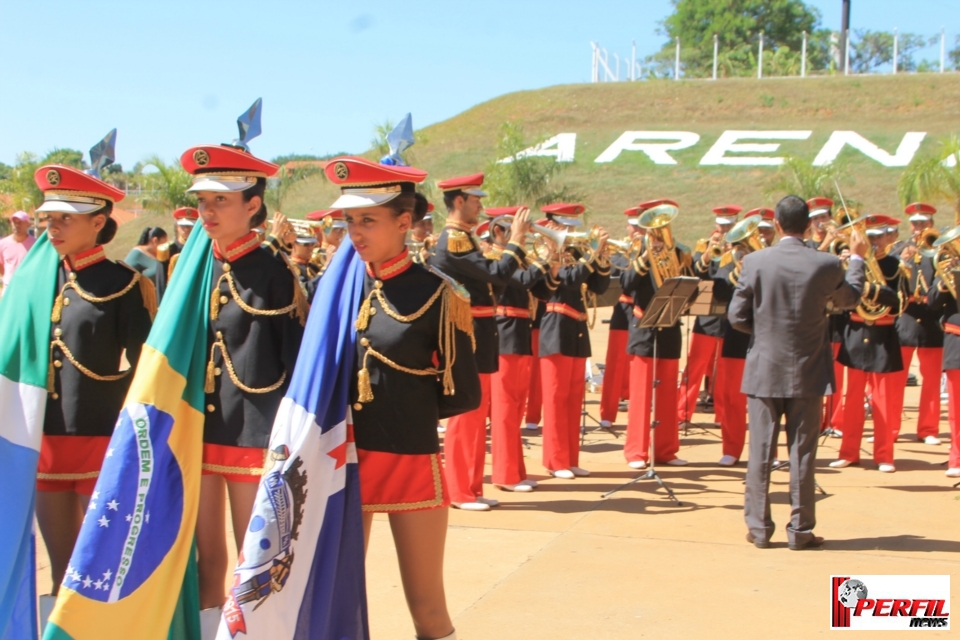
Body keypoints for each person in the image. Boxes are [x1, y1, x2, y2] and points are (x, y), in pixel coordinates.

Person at [325, 155, 480, 640]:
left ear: (405, 222)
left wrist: (406, 409)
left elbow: (462, 394)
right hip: (344, 463)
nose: (356, 232)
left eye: (368, 220)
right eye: (351, 221)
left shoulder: (440, 295)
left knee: (428, 612)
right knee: (335, 599)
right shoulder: (335, 290)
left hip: (410, 458)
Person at [179, 139, 306, 616]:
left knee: (252, 566)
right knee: (205, 562)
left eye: (220, 201)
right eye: (202, 201)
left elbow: (293, 364)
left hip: (253, 433)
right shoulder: (193, 266)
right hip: (200, 430)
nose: (206, 211)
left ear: (253, 205)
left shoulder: (275, 274)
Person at [32, 163, 154, 593]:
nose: (53, 226)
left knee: (103, 567)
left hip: (103, 440)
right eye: (49, 217)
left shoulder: (124, 284)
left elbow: (144, 371)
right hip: (46, 442)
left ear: (98, 222)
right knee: (60, 569)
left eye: (66, 217)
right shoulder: (38, 282)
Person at [729, 195, 866, 550]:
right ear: (808, 226)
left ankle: (759, 529)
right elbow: (850, 299)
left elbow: (736, 316)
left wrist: (763, 334)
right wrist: (858, 259)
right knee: (803, 453)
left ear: (776, 225)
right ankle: (800, 530)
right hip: (808, 369)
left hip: (763, 369)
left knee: (760, 451)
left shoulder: (755, 260)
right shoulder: (827, 263)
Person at [428, 173, 529, 510]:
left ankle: (470, 487)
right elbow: (498, 275)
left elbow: (490, 285)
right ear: (459, 201)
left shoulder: (466, 239)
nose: (481, 206)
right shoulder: (454, 239)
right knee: (465, 417)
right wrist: (515, 241)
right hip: (466, 335)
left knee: (477, 414)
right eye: (476, 200)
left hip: (481, 333)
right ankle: (458, 490)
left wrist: (502, 255)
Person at [533, 203, 610, 478]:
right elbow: (570, 278)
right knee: (555, 399)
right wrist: (591, 255)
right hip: (556, 326)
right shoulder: (546, 253)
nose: (570, 233)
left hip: (576, 328)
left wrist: (601, 257)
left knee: (574, 399)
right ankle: (555, 461)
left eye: (572, 227)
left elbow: (600, 287)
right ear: (551, 226)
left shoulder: (577, 253)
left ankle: (570, 457)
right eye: (565, 227)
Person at [830, 216, 906, 473]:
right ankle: (849, 452)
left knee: (882, 400)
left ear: (888, 238)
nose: (873, 242)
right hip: (855, 331)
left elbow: (898, 302)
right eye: (869, 237)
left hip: (882, 334)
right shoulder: (854, 263)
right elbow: (840, 299)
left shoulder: (895, 265)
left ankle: (884, 455)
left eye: (878, 237)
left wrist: (869, 288)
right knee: (851, 399)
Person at [487, 207, 552, 492]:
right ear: (500, 231)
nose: (524, 235)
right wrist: (545, 259)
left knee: (515, 406)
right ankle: (504, 474)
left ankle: (515, 470)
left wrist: (555, 264)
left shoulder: (518, 258)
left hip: (520, 332)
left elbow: (543, 293)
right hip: (505, 333)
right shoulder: (494, 256)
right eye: (517, 229)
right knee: (504, 409)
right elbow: (523, 281)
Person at [620, 201, 688, 469]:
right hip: (644, 328)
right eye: (655, 227)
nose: (659, 233)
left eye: (663, 227)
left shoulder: (679, 251)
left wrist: (680, 260)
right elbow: (626, 284)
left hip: (670, 325)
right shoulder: (638, 251)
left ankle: (666, 451)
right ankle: (636, 452)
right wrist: (647, 256)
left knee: (668, 392)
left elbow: (690, 283)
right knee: (640, 395)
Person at [678, 204, 740, 425]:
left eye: (729, 225)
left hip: (731, 318)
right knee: (694, 368)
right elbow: (695, 273)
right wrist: (707, 256)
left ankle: (722, 417)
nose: (724, 230)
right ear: (715, 225)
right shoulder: (704, 245)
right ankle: (682, 413)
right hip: (707, 317)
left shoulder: (742, 250)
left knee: (724, 372)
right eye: (721, 225)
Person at [891, 202, 943, 446]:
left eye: (924, 222)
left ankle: (928, 428)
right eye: (915, 222)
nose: (919, 227)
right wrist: (902, 258)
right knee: (896, 379)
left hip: (932, 321)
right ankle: (890, 428)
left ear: (931, 224)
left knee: (931, 380)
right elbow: (887, 274)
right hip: (908, 319)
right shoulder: (899, 248)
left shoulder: (940, 249)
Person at [598, 206, 643, 429]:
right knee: (615, 364)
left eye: (640, 226)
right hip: (623, 312)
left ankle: (638, 411)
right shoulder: (620, 254)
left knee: (640, 366)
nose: (637, 230)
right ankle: (607, 412)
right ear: (627, 227)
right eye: (633, 225)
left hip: (643, 312)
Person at [925, 233, 960, 478]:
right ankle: (956, 459)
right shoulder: (947, 270)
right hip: (956, 341)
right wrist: (942, 281)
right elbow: (933, 303)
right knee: (956, 409)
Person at [0, 210, 36, 295]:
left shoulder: (35, 244)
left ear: (28, 224)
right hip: (9, 288)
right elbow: (1, 265)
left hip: (28, 289)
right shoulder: (3, 244)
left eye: (20, 222)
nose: (17, 225)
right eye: (14, 222)